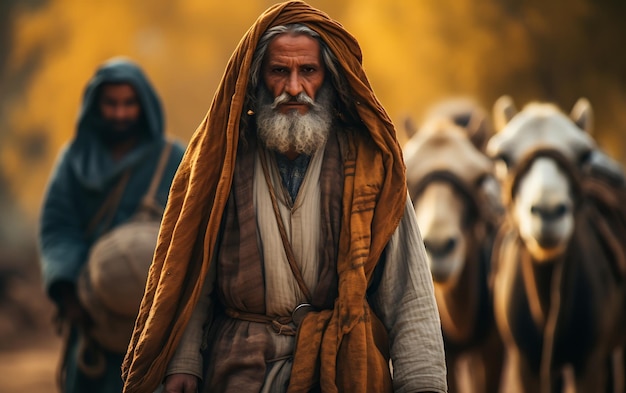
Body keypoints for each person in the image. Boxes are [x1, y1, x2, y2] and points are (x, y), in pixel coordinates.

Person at [122, 2, 447, 392]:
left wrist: (422, 383)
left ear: (329, 78)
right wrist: (186, 360)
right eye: (280, 71)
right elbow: (193, 273)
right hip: (239, 371)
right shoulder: (223, 159)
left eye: (307, 71)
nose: (294, 88)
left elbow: (408, 293)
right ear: (257, 78)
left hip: (344, 370)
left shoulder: (371, 165)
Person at [38, 57, 185, 393]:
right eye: (111, 104)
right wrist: (69, 293)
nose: (120, 113)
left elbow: (194, 228)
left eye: (129, 103)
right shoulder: (74, 160)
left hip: (157, 321)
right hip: (91, 316)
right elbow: (58, 226)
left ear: (144, 105)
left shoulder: (173, 157)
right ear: (96, 105)